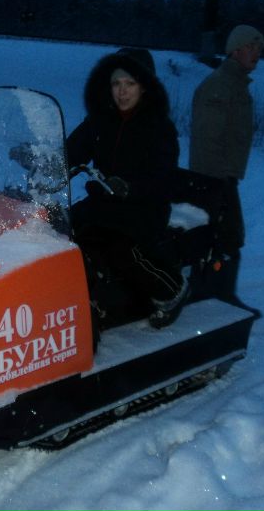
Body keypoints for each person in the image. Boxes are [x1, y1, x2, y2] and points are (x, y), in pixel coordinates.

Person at [67, 47, 188, 329]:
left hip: (144, 207)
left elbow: (163, 176)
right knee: (63, 231)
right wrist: (44, 158)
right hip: (105, 201)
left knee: (121, 249)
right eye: (116, 83)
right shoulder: (100, 119)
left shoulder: (158, 127)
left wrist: (130, 187)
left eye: (130, 83)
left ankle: (172, 290)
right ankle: (84, 300)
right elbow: (74, 150)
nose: (122, 91)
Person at [188, 24, 264, 310]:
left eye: (260, 48)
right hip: (213, 177)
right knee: (229, 236)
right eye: (252, 47)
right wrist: (216, 184)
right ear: (236, 49)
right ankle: (221, 297)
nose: (257, 53)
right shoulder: (220, 86)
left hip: (221, 176)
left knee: (221, 237)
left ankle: (211, 294)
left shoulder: (235, 84)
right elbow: (208, 137)